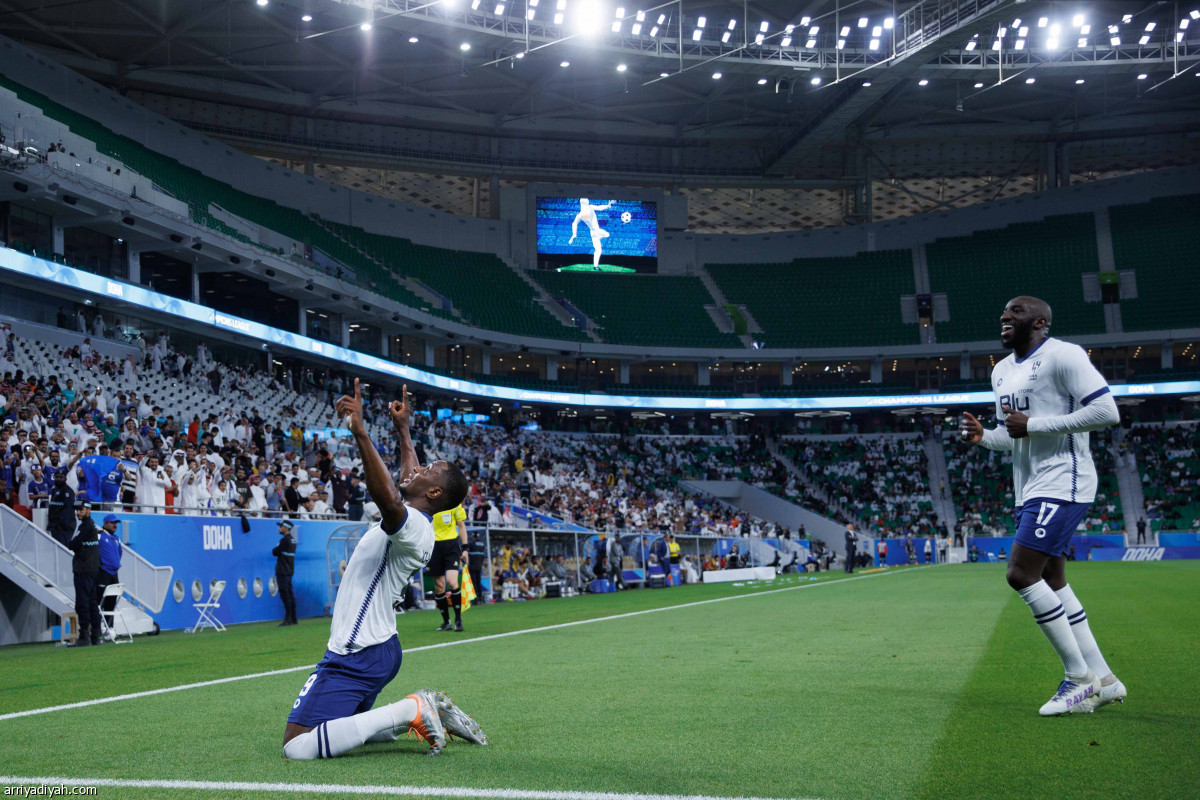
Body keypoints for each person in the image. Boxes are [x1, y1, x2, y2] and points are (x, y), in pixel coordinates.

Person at [281, 381, 484, 760]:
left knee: (297, 746)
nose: (418, 467)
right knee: (353, 729)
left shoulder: (414, 527)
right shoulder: (419, 519)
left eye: (429, 469)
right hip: (376, 647)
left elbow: (390, 497)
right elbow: (407, 484)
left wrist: (361, 433)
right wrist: (404, 430)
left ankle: (411, 709)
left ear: (436, 494)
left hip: (358, 650)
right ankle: (423, 712)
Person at [960, 295, 1124, 716]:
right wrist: (985, 438)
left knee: (1020, 573)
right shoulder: (1000, 371)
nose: (1004, 316)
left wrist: (1036, 424)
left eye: (1015, 311)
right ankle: (1104, 679)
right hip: (1029, 486)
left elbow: (1107, 411)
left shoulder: (1063, 355)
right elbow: (1012, 434)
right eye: (1003, 311)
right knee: (1052, 580)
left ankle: (1078, 677)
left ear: (1040, 322)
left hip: (1064, 480)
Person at [430, 501, 468, 632]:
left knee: (452, 582)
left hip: (451, 546)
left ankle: (458, 619)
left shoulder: (454, 503)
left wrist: (465, 548)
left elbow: (461, 526)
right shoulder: (428, 504)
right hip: (433, 546)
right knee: (439, 586)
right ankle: (446, 622)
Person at [67, 501, 101, 647]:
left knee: (83, 603)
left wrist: (74, 543)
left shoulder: (85, 527)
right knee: (93, 603)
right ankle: (95, 636)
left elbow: (72, 545)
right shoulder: (92, 526)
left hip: (83, 570)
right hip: (93, 569)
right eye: (77, 510)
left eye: (81, 510)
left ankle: (84, 637)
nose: (78, 513)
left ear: (88, 510)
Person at [568, 198, 614, 270]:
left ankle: (596, 266)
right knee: (599, 249)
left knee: (606, 235)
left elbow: (600, 208)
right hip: (595, 233)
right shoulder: (585, 211)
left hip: (596, 232)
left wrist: (574, 235)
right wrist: (574, 234)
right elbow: (574, 223)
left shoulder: (584, 212)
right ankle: (596, 266)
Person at [97, 513, 123, 628]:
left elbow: (119, 553)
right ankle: (96, 631)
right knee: (99, 602)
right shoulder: (99, 536)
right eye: (112, 522)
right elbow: (92, 552)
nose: (115, 525)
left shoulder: (116, 538)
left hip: (114, 574)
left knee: (111, 603)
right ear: (105, 523)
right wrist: (101, 565)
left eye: (116, 523)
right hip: (103, 573)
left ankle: (110, 630)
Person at [273, 520, 298, 626]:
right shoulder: (292, 540)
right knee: (290, 594)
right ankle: (293, 618)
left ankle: (288, 619)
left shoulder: (284, 541)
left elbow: (275, 551)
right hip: (289, 570)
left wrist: (277, 548)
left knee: (285, 595)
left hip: (282, 571)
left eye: (281, 526)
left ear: (286, 528)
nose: (279, 528)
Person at [46, 469, 77, 547]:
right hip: (54, 527)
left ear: (65, 478)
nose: (59, 479)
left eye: (61, 477)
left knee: (63, 550)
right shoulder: (54, 491)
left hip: (64, 528)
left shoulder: (68, 492)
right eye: (57, 477)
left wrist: (62, 526)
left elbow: (68, 510)